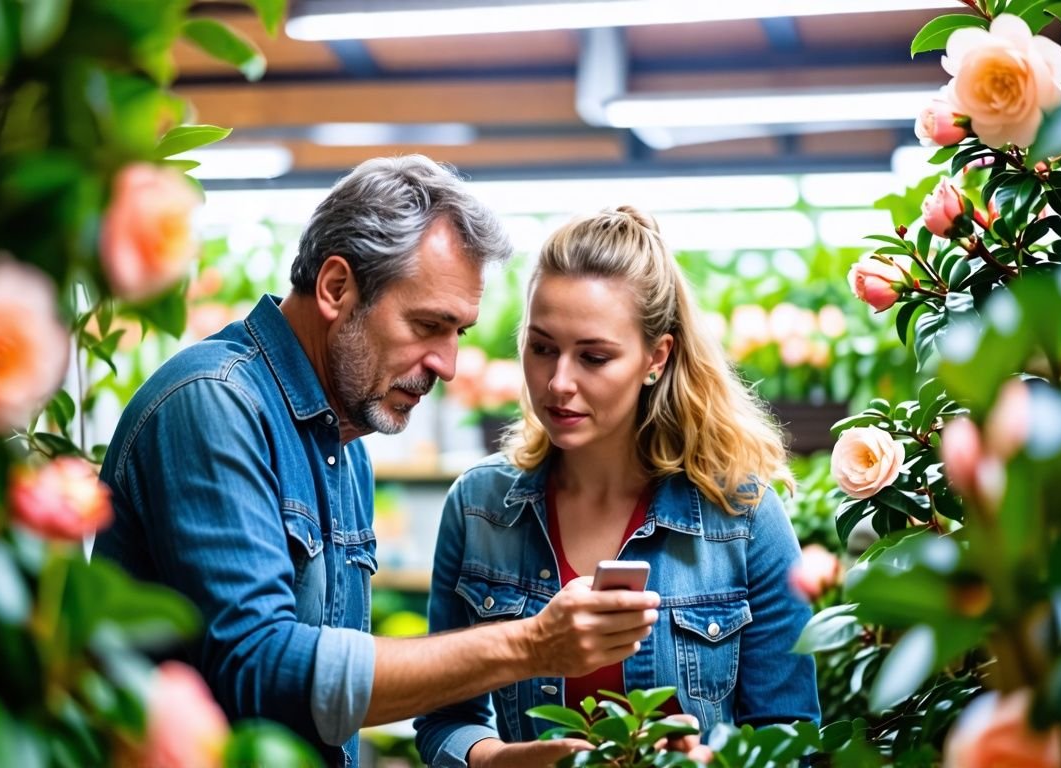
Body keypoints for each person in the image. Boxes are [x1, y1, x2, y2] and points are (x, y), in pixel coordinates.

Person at [92, 157, 661, 767]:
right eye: (427, 325)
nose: (445, 363)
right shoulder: (213, 403)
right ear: (337, 288)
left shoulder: (344, 445)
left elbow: (330, 704)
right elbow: (256, 666)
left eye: (458, 334)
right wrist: (530, 644)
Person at [416, 206, 821, 766]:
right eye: (541, 347)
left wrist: (711, 759)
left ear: (656, 357)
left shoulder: (742, 516)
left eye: (594, 357)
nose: (559, 382)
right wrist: (495, 759)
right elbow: (444, 718)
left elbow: (792, 734)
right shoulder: (480, 508)